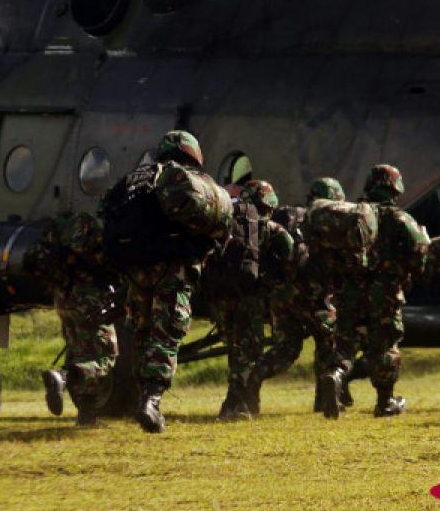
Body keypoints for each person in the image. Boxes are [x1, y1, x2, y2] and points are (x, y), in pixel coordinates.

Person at [102, 130, 225, 434]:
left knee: (142, 332)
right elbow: (217, 224)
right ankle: (151, 401)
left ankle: (143, 397)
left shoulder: (134, 181)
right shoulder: (183, 179)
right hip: (173, 266)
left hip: (135, 267)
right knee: (167, 333)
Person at [321, 165, 428, 419]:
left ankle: (334, 375)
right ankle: (385, 401)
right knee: (385, 345)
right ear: (395, 188)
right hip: (384, 294)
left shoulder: (353, 216)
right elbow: (419, 253)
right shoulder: (399, 218)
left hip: (350, 291)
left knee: (346, 341)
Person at [256, 178, 342, 413]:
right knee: (328, 341)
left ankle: (251, 380)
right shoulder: (325, 219)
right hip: (315, 294)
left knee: (285, 349)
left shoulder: (287, 214)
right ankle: (324, 399)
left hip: (280, 294)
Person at [210, 180, 293, 420]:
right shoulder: (269, 227)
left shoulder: (226, 222)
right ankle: (232, 405)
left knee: (235, 351)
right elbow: (288, 253)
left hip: (220, 297)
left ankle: (240, 404)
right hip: (250, 297)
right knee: (249, 352)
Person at [29, 212, 120, 427]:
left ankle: (86, 416)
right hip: (88, 299)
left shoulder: (59, 230)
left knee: (80, 352)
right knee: (106, 356)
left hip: (63, 298)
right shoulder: (91, 232)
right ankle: (63, 377)